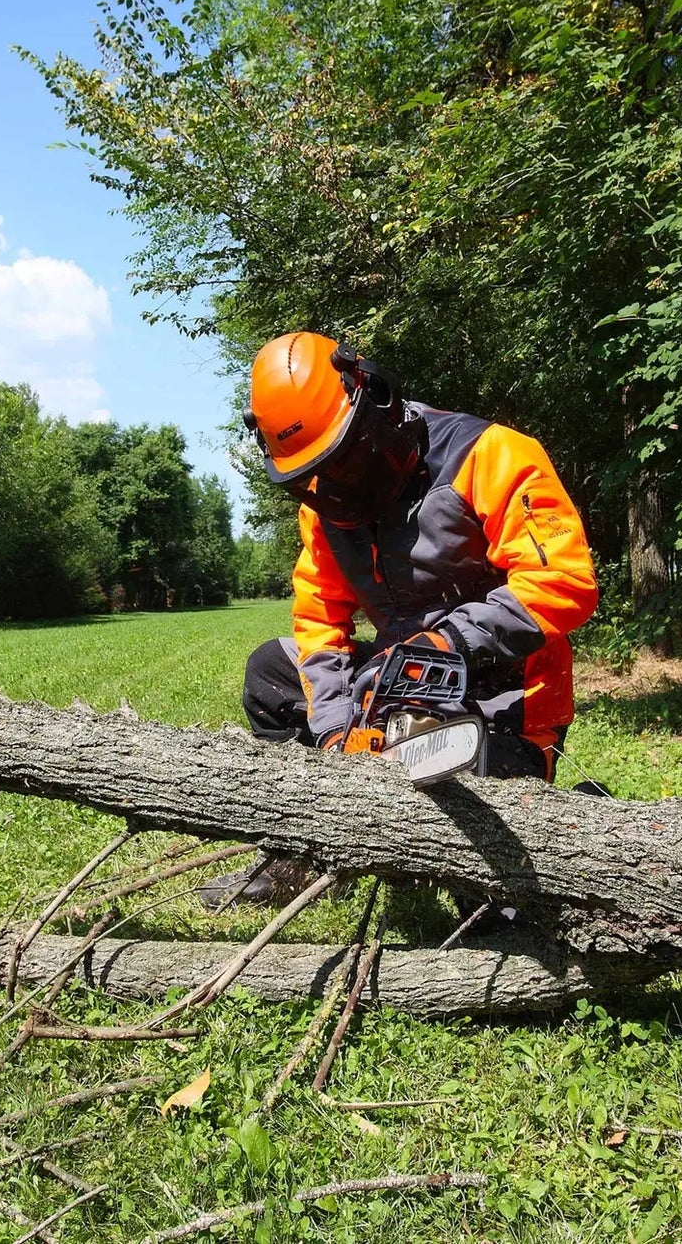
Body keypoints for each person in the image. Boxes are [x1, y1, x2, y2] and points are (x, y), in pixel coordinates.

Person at [200, 331, 601, 908]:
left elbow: (563, 582)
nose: (338, 482)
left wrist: (451, 640)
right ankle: (303, 846)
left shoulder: (488, 454)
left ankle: (576, 827)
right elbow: (319, 618)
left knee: (499, 907)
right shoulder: (326, 507)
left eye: (343, 459)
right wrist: (336, 728)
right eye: (320, 471)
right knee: (272, 671)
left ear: (376, 401)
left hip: (504, 689)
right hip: (399, 680)